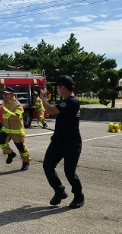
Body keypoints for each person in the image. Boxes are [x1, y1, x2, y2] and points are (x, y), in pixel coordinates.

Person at [40, 75, 84, 209]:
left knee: (69, 172)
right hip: (58, 142)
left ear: (62, 87)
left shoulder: (72, 101)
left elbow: (49, 110)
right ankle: (59, 191)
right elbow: (54, 108)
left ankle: (78, 196)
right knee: (48, 166)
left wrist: (43, 98)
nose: (56, 90)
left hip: (72, 143)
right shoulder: (66, 102)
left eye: (57, 87)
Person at [0, 87, 31, 170]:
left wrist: (6, 111)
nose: (4, 96)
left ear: (12, 94)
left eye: (6, 94)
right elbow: (5, 117)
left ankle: (26, 162)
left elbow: (16, 117)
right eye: (4, 94)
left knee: (22, 149)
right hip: (6, 129)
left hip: (17, 131)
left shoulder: (18, 105)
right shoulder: (5, 103)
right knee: (0, 141)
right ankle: (10, 153)